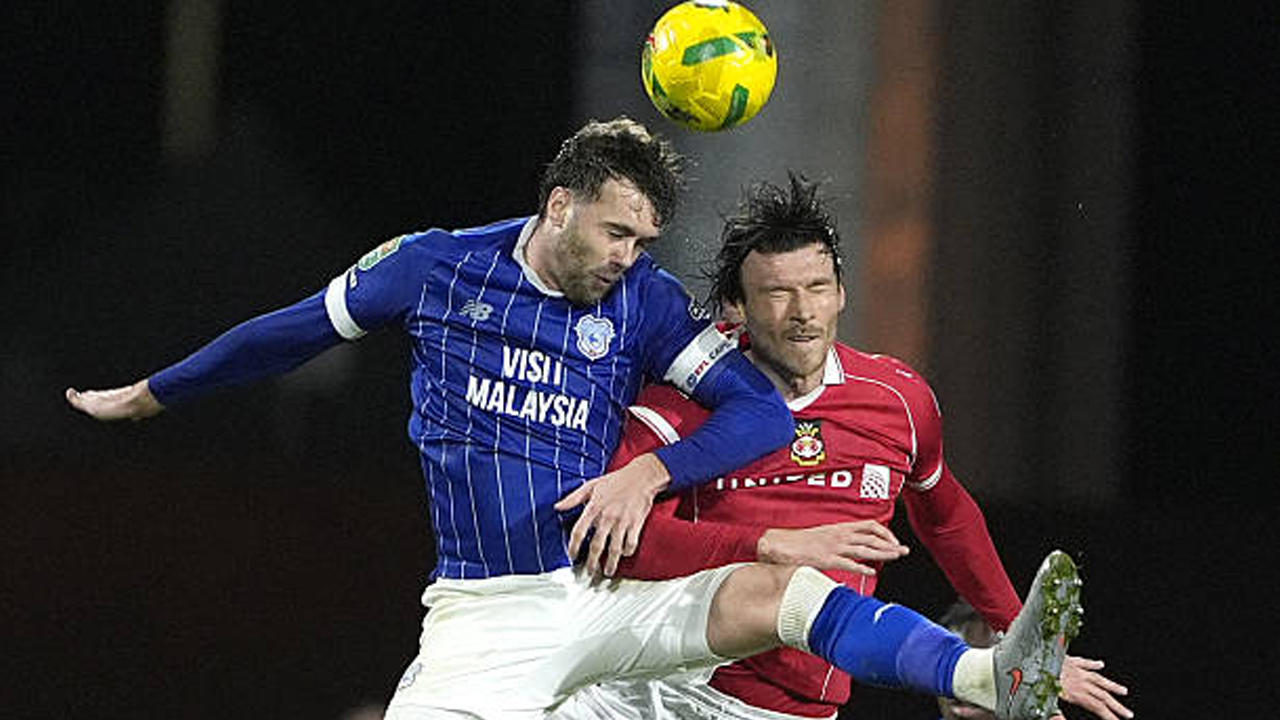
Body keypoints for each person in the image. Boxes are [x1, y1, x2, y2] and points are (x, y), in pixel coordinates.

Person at [66, 119, 1079, 720]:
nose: (630, 256)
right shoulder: (434, 267)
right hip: (493, 610)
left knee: (788, 590)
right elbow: (287, 334)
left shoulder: (638, 306)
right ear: (558, 206)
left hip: (600, 588)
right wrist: (156, 391)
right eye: (615, 232)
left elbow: (755, 416)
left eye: (644, 238)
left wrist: (648, 476)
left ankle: (988, 673)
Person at [552, 174, 1130, 720]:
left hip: (806, 706)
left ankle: (990, 673)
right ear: (736, 309)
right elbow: (618, 546)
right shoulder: (681, 406)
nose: (802, 314)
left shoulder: (897, 400)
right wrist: (772, 546)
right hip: (673, 694)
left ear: (842, 293)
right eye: (777, 293)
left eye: (817, 289)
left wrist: (1013, 635)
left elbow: (947, 516)